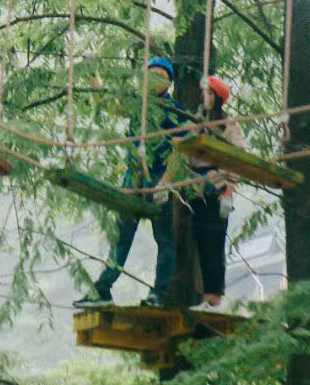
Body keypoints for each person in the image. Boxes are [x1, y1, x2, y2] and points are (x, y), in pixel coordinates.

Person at [77, 56, 191, 309]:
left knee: (164, 240)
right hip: (134, 179)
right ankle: (103, 289)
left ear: (169, 82)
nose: (154, 80)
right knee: (121, 238)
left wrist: (166, 182)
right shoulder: (138, 105)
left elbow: (181, 149)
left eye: (160, 75)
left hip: (158, 181)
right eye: (150, 74)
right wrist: (92, 75)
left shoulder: (175, 112)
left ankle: (159, 294)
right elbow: (108, 104)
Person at [188, 74, 244, 306]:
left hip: (217, 187)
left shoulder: (229, 126)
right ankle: (203, 295)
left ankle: (214, 296)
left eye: (210, 94)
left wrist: (228, 193)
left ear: (218, 98)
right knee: (199, 242)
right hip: (196, 189)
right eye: (205, 93)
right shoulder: (197, 123)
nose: (205, 97)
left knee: (214, 242)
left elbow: (237, 160)